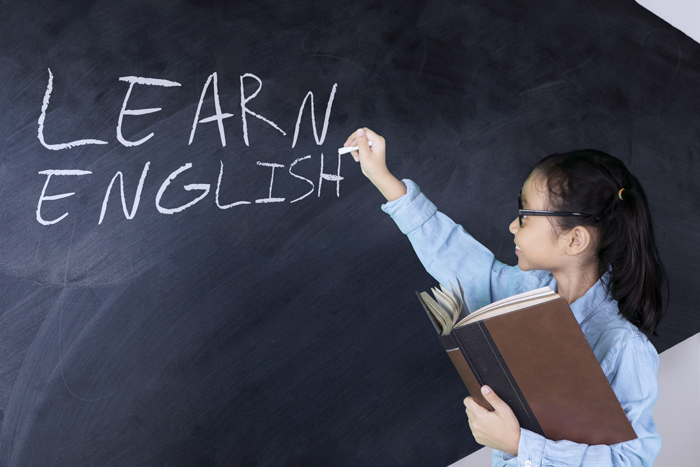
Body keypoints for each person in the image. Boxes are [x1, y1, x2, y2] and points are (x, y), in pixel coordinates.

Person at [344, 128, 667, 467]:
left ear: (575, 240)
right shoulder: (524, 291)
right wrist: (381, 176)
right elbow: (455, 255)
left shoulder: (622, 346)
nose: (513, 226)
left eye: (525, 216)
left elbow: (631, 459)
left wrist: (518, 444)